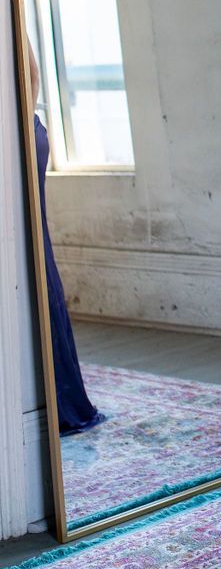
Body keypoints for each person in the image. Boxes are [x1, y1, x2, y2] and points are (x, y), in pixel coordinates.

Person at [24, 39, 105, 435]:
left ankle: (49, 402)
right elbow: (33, 73)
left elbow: (34, 74)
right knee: (35, 257)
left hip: (20, 134)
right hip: (26, 129)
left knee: (30, 260)